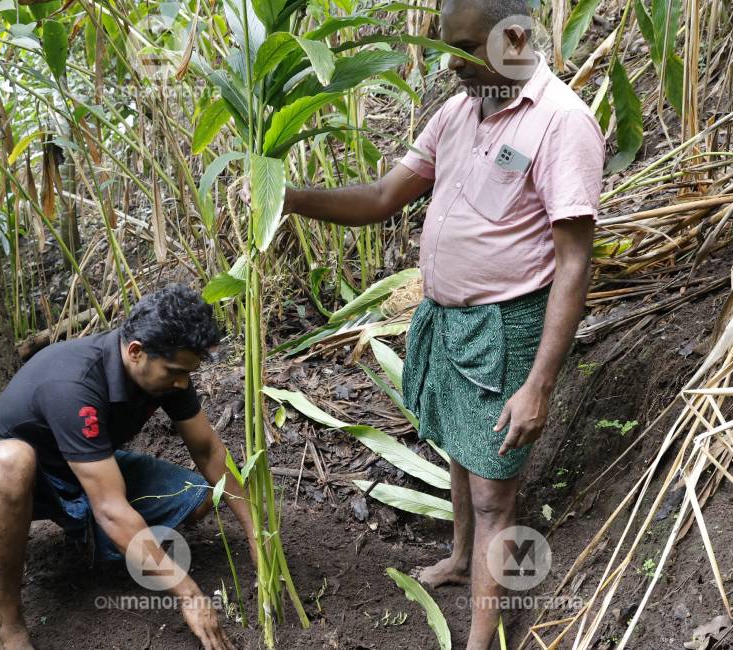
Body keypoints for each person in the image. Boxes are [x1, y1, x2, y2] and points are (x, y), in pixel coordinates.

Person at [282, 1, 604, 647]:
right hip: (450, 319)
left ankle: (481, 639)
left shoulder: (562, 122)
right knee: (461, 449)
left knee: (494, 494)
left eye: (464, 49)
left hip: (506, 327)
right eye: (446, 50)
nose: (451, 66)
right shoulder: (460, 111)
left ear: (514, 37)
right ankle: (461, 561)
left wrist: (539, 383)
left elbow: (573, 263)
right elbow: (381, 196)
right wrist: (286, 197)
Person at [0, 284, 248, 650]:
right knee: (12, 460)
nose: (182, 383)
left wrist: (256, 534)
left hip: (84, 465)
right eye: (174, 372)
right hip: (0, 470)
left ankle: (89, 536)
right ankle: (9, 623)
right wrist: (188, 593)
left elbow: (208, 451)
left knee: (200, 498)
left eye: (187, 372)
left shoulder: (170, 372)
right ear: (136, 352)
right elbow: (111, 507)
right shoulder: (73, 383)